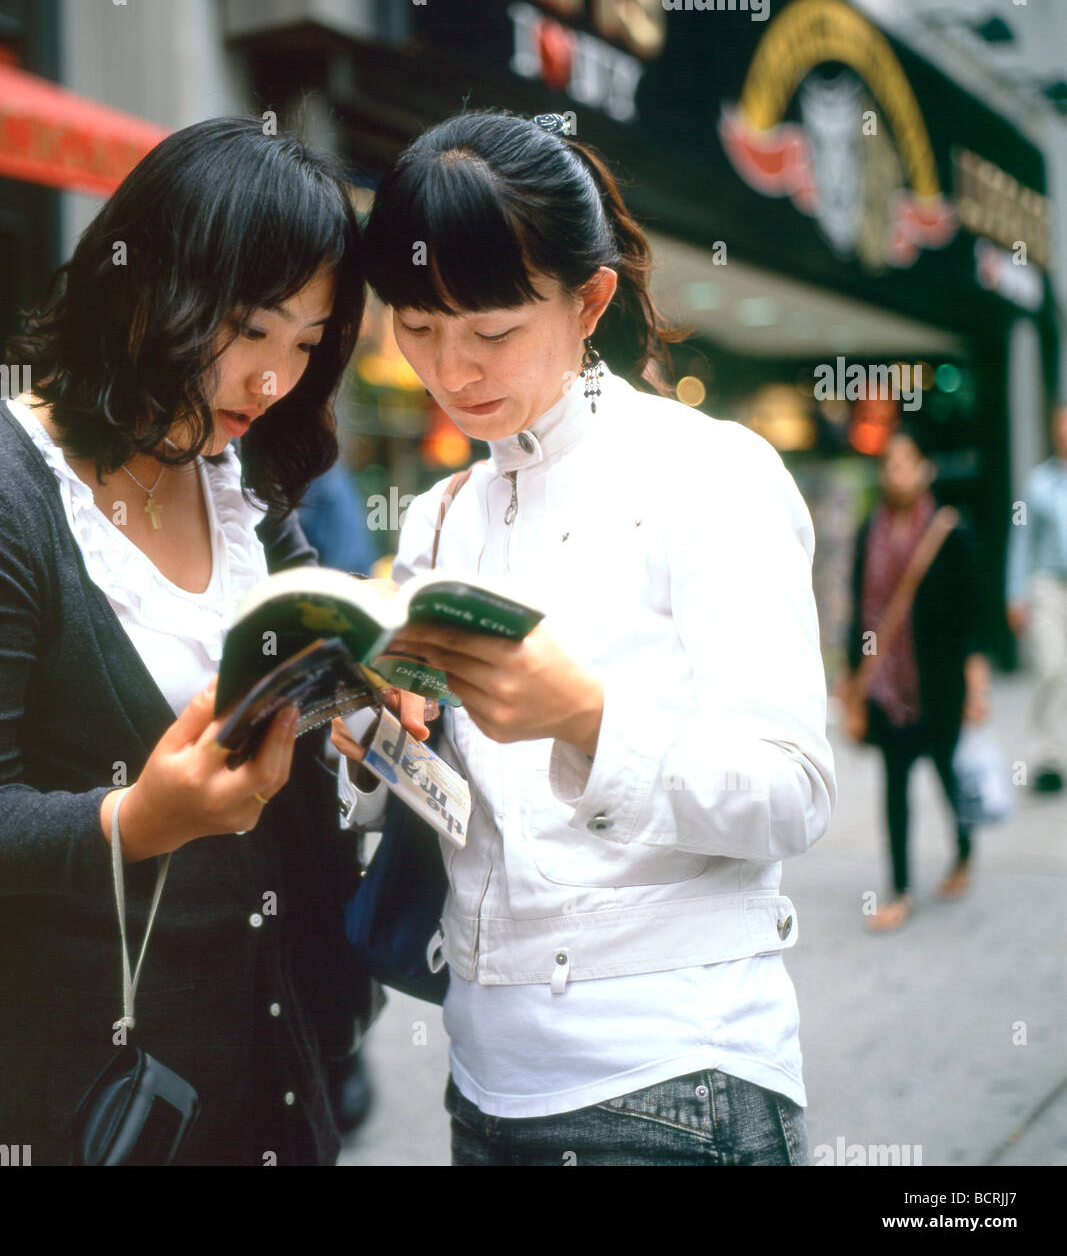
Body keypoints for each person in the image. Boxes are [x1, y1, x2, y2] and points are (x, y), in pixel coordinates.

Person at [331, 109, 836, 1166]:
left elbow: (792, 792)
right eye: (416, 327)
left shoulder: (711, 474)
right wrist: (380, 748)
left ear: (589, 298)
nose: (450, 368)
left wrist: (591, 720)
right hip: (481, 1082)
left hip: (673, 1083)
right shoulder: (436, 518)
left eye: (492, 330)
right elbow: (462, 821)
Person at [0, 117, 370, 1165]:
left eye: (308, 344)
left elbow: (288, 691)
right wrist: (138, 819)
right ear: (140, 287)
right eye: (249, 329)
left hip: (269, 1064)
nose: (273, 381)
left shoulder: (230, 477)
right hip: (83, 1095)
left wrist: (371, 688)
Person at [843, 425, 990, 932]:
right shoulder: (870, 530)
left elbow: (973, 614)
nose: (896, 473)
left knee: (946, 772)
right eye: (890, 463)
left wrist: (976, 680)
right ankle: (900, 889)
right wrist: (851, 681)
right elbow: (859, 609)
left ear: (926, 469)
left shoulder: (950, 528)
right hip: (886, 684)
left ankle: (965, 849)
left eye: (906, 462)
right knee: (895, 784)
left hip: (938, 679)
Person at [1006, 401, 1067, 793]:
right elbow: (1021, 540)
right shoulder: (1037, 483)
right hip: (1048, 586)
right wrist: (1015, 593)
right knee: (1051, 667)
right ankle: (1047, 755)